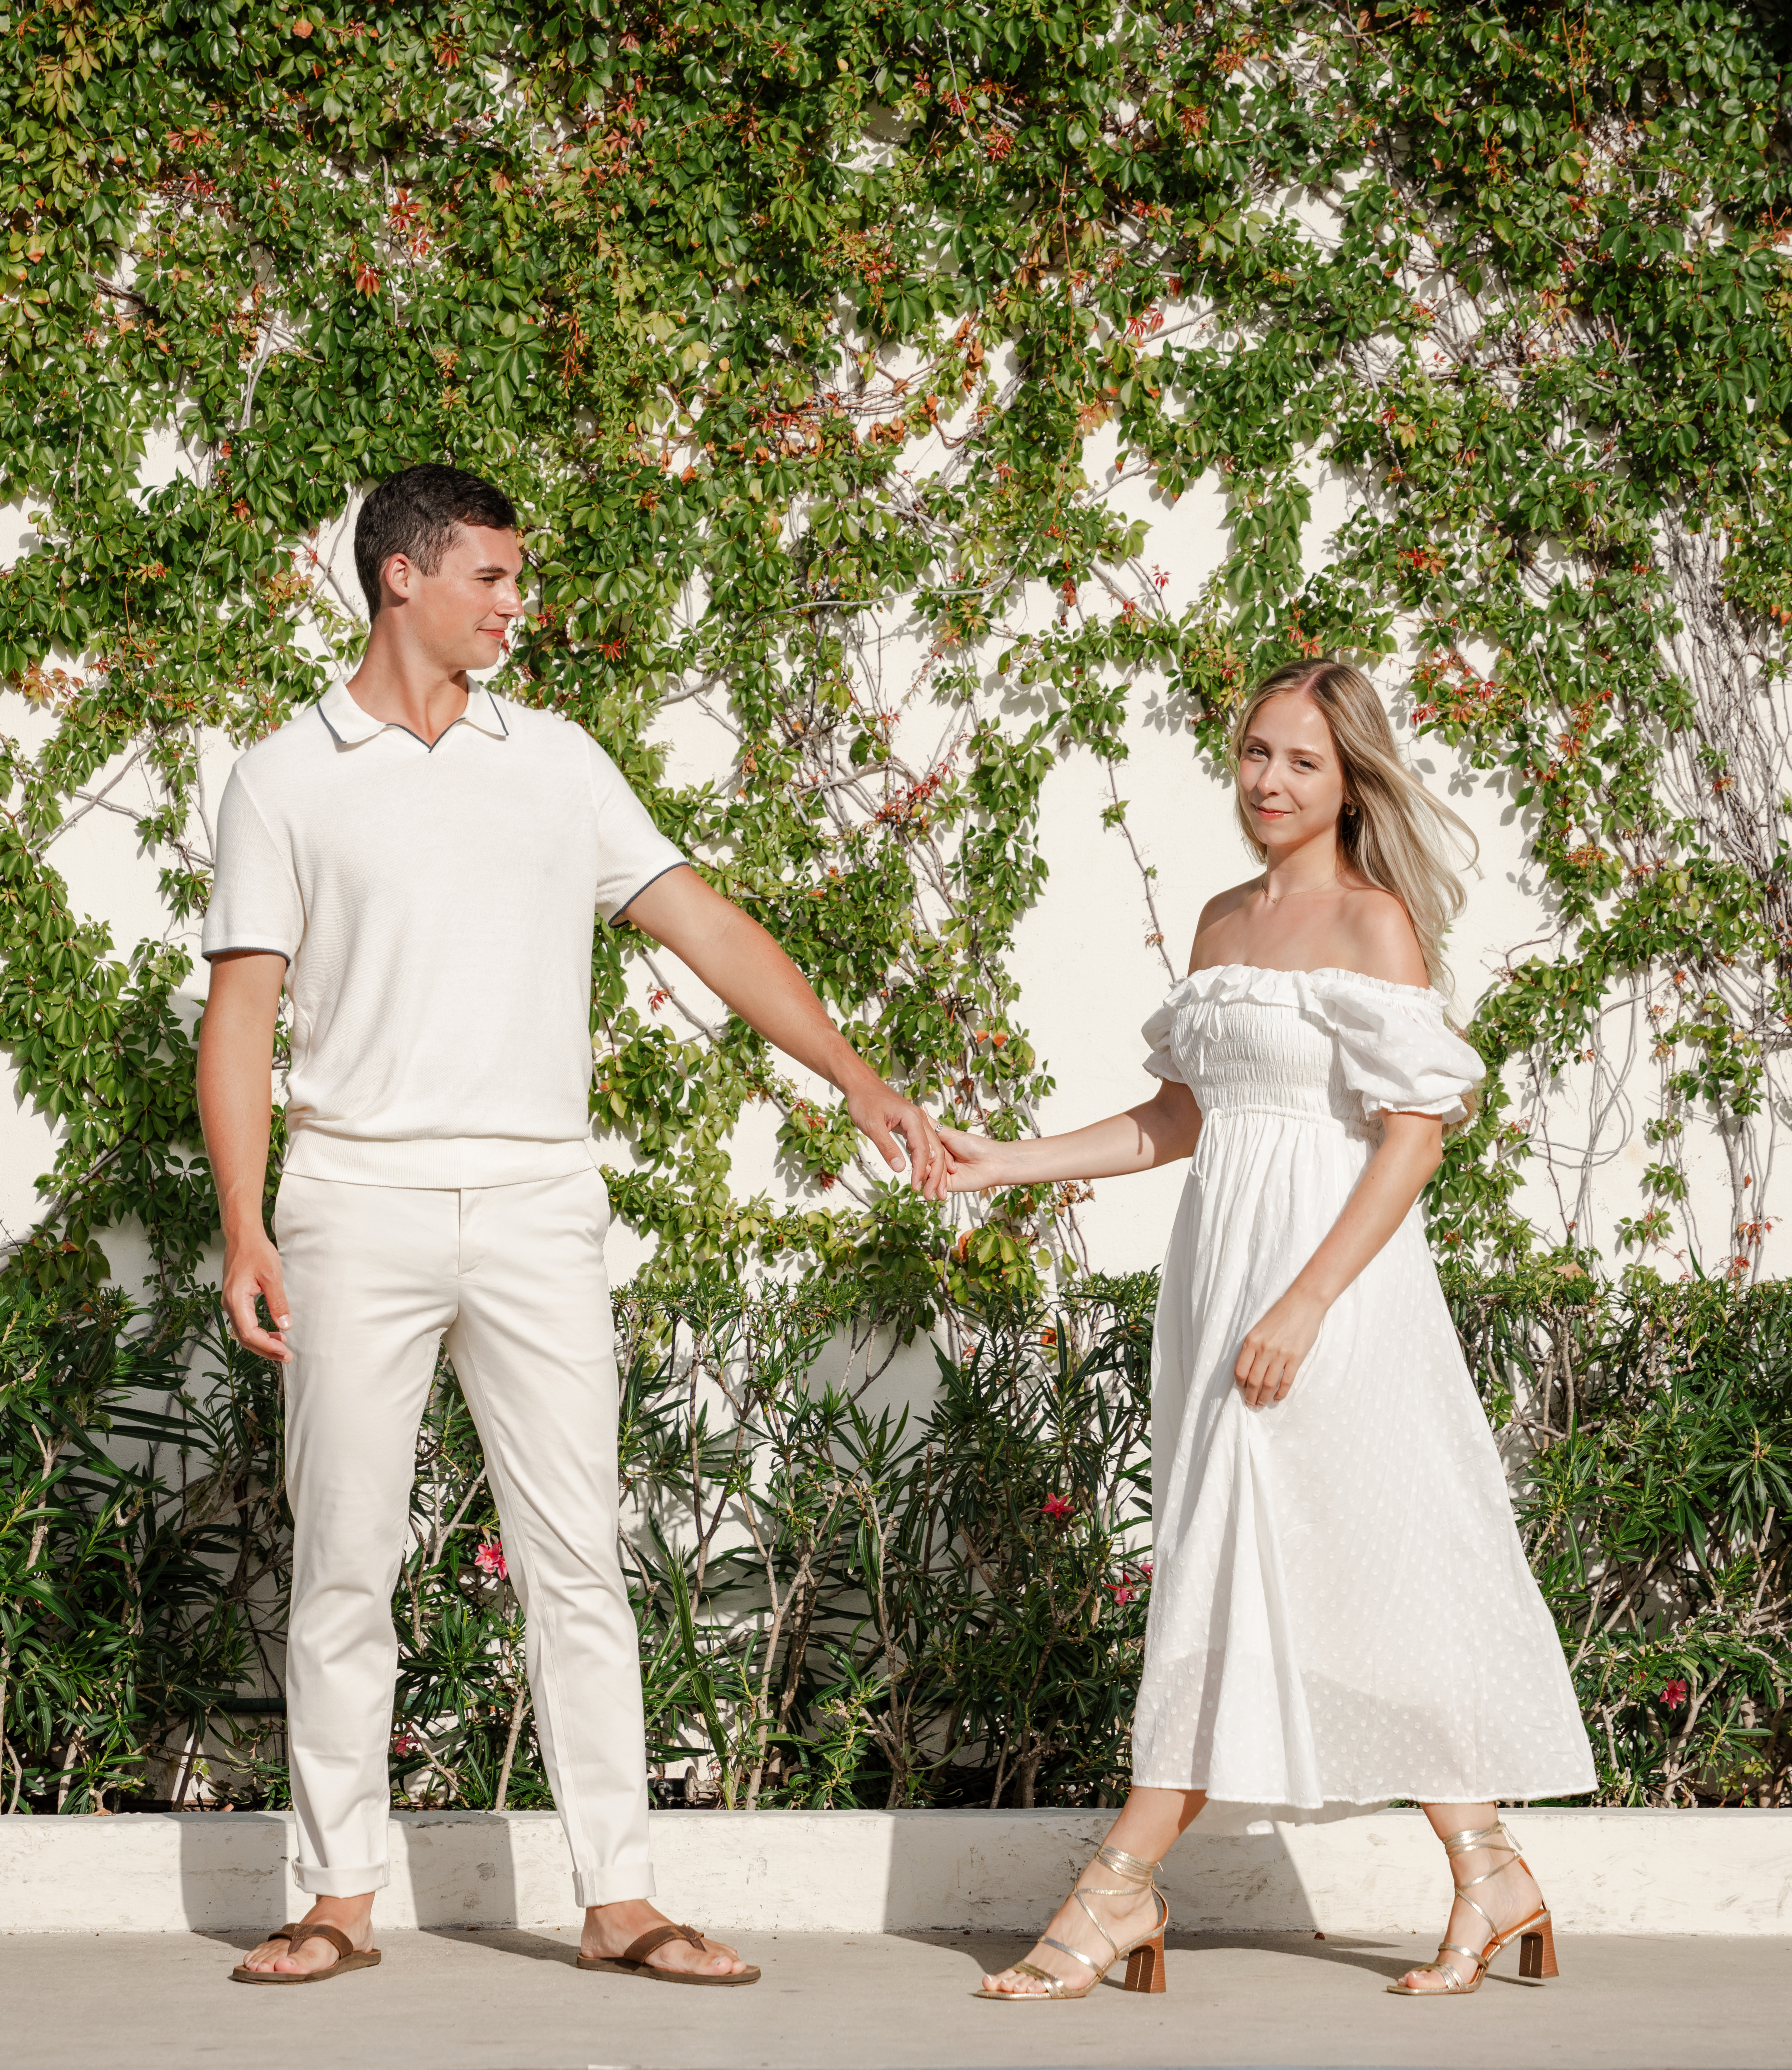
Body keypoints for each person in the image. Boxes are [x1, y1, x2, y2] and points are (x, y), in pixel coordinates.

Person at [197, 462, 946, 1987]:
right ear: (403, 576)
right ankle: (337, 1896)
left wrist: (854, 1075)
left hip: (542, 1203)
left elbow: (707, 922)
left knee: (579, 1562)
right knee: (347, 1553)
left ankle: (621, 1901)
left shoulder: (559, 764)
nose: (514, 606)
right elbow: (242, 1014)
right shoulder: (286, 774)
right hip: (354, 1200)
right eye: (490, 578)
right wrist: (244, 1225)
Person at [935, 655, 1596, 2001]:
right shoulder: (1224, 922)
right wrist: (1003, 1162)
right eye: (1252, 755)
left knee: (1262, 1564)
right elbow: (1180, 1121)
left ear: (1351, 779)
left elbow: (1413, 1138)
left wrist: (1303, 1298)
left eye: (1299, 761)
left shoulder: (1374, 925)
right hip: (1218, 1279)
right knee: (1304, 1572)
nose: (1267, 783)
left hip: (1328, 1291)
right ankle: (1487, 1867)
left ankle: (1115, 1890)